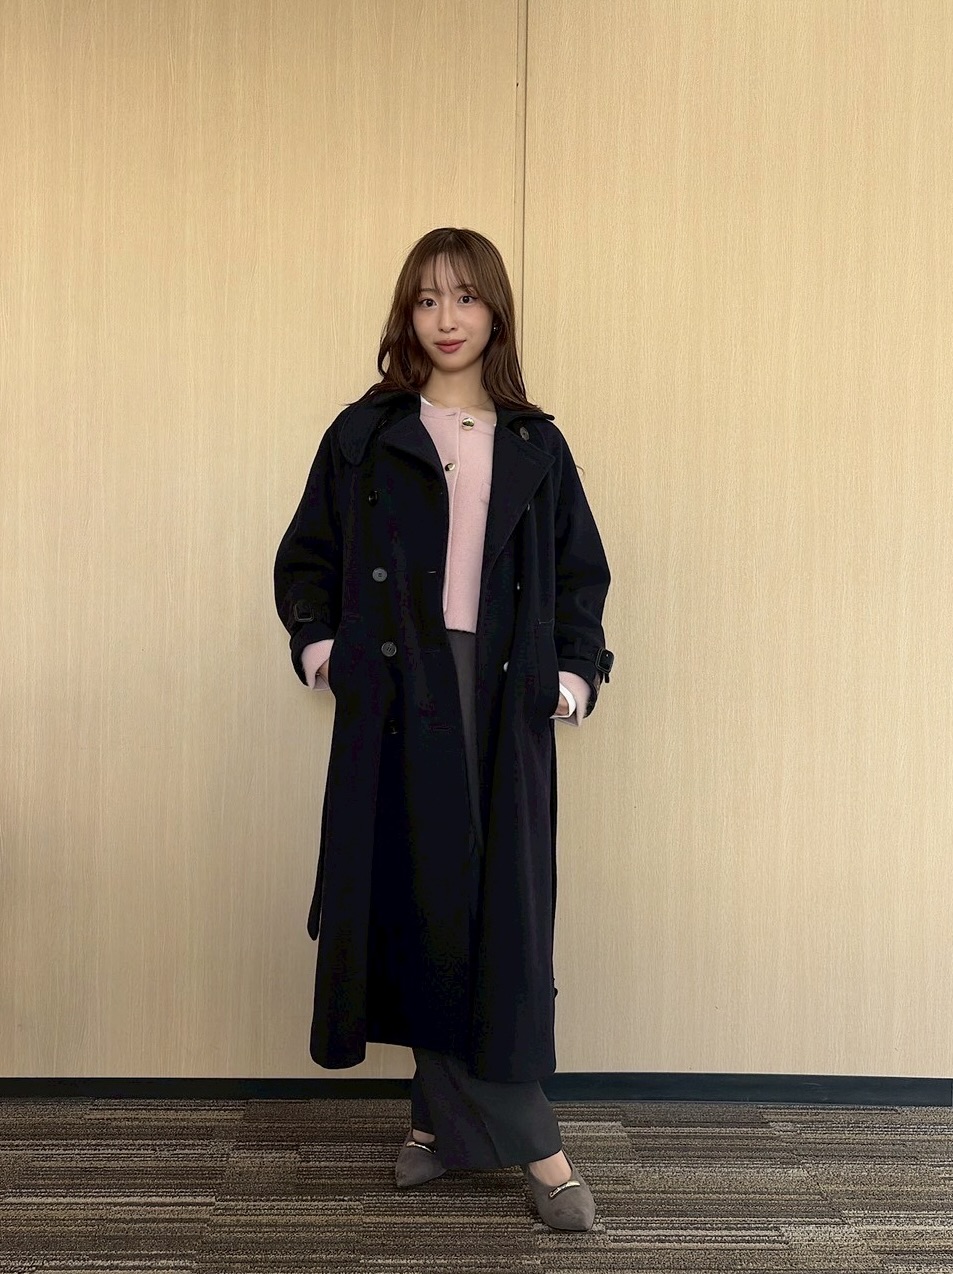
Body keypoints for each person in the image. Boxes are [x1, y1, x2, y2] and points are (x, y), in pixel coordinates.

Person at [273, 227, 613, 1231]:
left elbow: (581, 574)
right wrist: (323, 650)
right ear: (405, 314)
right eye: (426, 300)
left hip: (503, 694)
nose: (446, 318)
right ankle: (537, 1152)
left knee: (487, 909)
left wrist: (572, 676)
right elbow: (306, 558)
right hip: (395, 689)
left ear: (495, 310)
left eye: (464, 297)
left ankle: (442, 1125)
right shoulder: (363, 434)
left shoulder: (535, 444)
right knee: (421, 894)